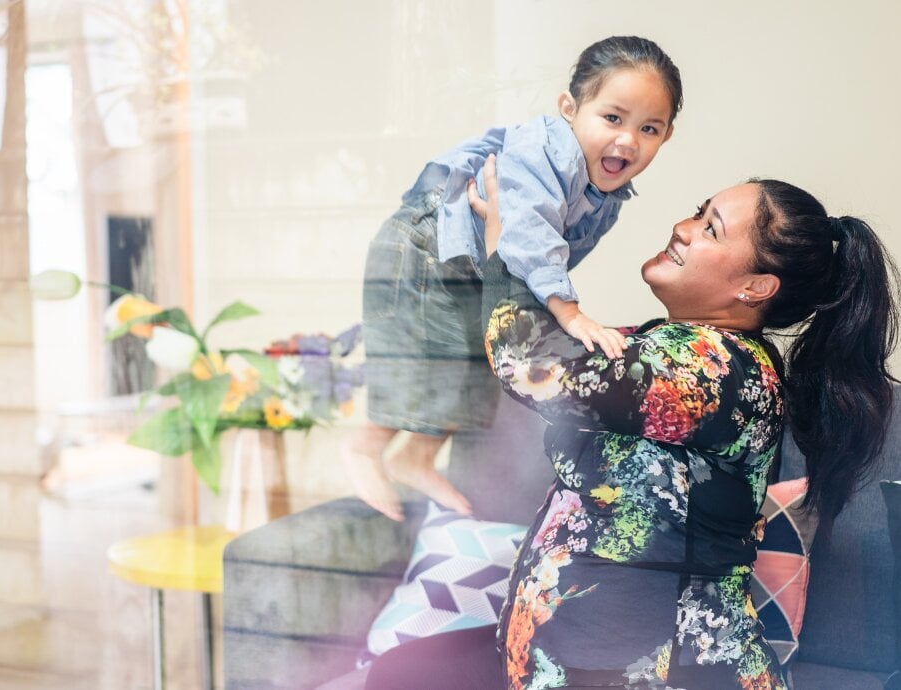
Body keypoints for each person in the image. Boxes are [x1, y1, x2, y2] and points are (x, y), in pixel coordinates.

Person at [364, 158, 899, 689]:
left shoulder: (718, 369)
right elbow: (558, 339)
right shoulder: (665, 348)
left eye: (710, 228)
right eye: (697, 213)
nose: (683, 229)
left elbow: (535, 365)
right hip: (575, 653)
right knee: (402, 671)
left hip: (663, 671)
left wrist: (513, 243)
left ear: (756, 288)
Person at [345, 36, 683, 521]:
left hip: (469, 266)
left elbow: (551, 254)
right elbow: (525, 228)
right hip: (425, 248)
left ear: (667, 135)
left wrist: (547, 300)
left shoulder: (606, 194)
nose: (628, 139)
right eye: (613, 118)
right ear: (570, 108)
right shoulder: (547, 152)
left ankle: (414, 456)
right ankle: (365, 445)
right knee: (428, 359)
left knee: (474, 362)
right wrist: (567, 310)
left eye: (648, 128)